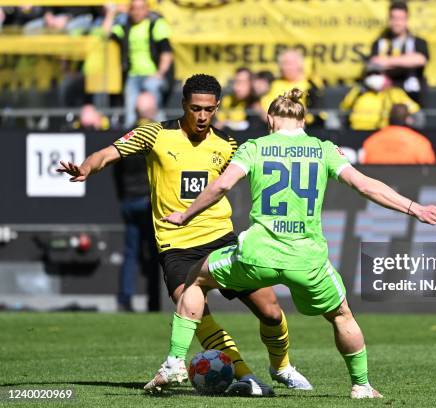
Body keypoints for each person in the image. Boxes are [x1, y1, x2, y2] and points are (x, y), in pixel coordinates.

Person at [156, 88, 436, 398]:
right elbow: (365, 186)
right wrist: (414, 208)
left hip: (258, 256)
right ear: (303, 121)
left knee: (195, 279)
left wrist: (187, 214)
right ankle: (361, 385)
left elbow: (222, 185)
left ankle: (174, 362)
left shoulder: (254, 147)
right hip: (307, 261)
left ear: (269, 119)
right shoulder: (324, 149)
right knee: (342, 315)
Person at [56, 74, 311, 395]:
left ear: (217, 107)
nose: (202, 116)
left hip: (222, 239)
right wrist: (85, 168)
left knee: (271, 310)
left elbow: (266, 166)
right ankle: (245, 375)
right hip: (177, 247)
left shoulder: (228, 144)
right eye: (195, 108)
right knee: (195, 313)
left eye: (209, 109)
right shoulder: (154, 133)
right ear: (183, 106)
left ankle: (282, 366)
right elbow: (107, 153)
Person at [113, 92, 160, 312]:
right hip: (148, 202)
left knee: (130, 252)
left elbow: (116, 170)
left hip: (128, 201)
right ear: (152, 110)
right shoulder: (157, 135)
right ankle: (154, 299)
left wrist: (123, 197)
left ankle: (125, 298)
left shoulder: (125, 135)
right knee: (154, 252)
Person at [108, 0, 174, 128]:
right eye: (134, 8)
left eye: (141, 8)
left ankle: (163, 132)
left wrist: (160, 73)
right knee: (130, 114)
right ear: (130, 10)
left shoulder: (156, 24)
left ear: (147, 9)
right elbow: (106, 33)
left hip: (152, 75)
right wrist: (112, 13)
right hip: (133, 76)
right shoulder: (125, 25)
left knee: (153, 107)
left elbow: (166, 51)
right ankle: (130, 140)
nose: (138, 12)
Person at [368, 1, 429, 106]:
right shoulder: (380, 42)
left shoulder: (417, 42)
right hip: (385, 96)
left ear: (407, 20)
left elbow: (420, 59)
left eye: (400, 18)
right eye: (394, 18)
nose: (397, 22)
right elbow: (375, 62)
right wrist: (405, 61)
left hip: (411, 98)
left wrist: (388, 61)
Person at [340, 65, 421, 131]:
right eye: (370, 75)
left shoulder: (394, 93)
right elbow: (342, 112)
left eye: (377, 74)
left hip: (384, 134)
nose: (374, 77)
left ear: (384, 76)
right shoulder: (357, 92)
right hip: (356, 133)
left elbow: (415, 112)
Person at [259, 49, 322, 124]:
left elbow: (315, 115)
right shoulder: (273, 84)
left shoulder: (310, 86)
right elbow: (263, 108)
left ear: (300, 65)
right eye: (285, 63)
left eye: (291, 63)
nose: (288, 67)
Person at [362, 104, 436, 164]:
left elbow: (363, 166)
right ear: (408, 120)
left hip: (378, 180)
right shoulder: (420, 142)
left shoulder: (371, 141)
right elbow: (429, 168)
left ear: (389, 119)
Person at [215, 67, 259, 131]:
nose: (236, 87)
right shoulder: (228, 100)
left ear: (251, 83)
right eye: (235, 82)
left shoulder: (260, 102)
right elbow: (218, 125)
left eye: (241, 82)